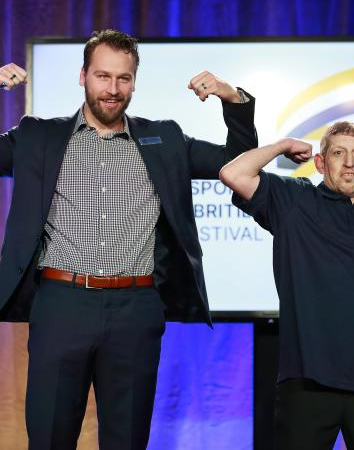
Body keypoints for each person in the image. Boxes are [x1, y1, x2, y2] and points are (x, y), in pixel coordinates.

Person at [0, 29, 257, 449]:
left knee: (128, 441)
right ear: (83, 75)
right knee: (48, 438)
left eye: (123, 78)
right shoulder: (37, 137)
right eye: (103, 76)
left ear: (135, 81)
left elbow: (240, 164)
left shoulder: (165, 139)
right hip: (61, 304)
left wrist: (234, 99)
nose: (113, 89)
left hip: (135, 310)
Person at [219, 121, 354, 450]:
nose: (350, 163)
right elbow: (234, 174)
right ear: (321, 162)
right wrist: (282, 145)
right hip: (305, 383)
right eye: (338, 153)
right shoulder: (295, 203)